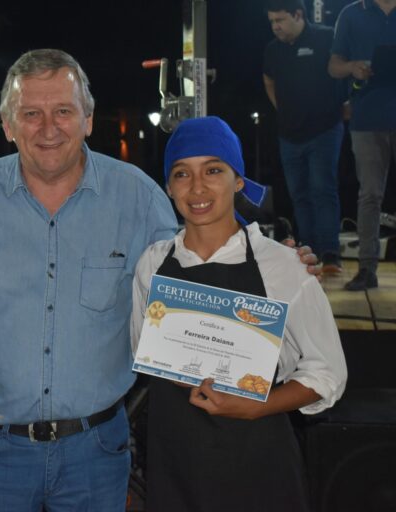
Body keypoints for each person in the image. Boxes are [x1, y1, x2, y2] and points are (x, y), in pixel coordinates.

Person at [0, 48, 179, 511]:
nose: (48, 129)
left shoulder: (139, 198)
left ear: (88, 119)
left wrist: (274, 269)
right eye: (31, 114)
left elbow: (191, 284)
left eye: (63, 112)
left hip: (98, 447)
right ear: (8, 126)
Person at [131, 116, 347, 512]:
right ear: (168, 186)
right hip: (177, 462)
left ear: (239, 180)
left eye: (214, 170)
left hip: (258, 460)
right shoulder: (152, 264)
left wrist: (255, 406)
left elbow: (327, 373)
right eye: (182, 174)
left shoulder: (283, 265)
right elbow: (145, 353)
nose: (197, 187)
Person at [263, 0, 345, 273]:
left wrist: (347, 102)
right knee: (299, 195)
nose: (275, 27)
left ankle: (330, 253)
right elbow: (268, 81)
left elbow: (343, 69)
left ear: (298, 15)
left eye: (280, 20)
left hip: (324, 129)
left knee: (323, 190)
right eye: (272, 21)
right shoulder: (272, 50)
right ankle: (308, 253)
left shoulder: (325, 37)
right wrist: (283, 109)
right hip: (289, 135)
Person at [328, 0, 396, 290]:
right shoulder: (351, 13)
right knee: (369, 195)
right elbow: (333, 66)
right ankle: (367, 270)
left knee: (369, 195)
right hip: (367, 117)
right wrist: (352, 67)